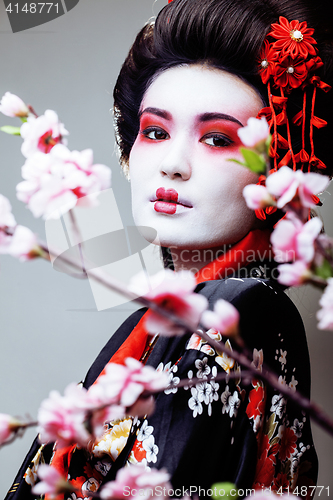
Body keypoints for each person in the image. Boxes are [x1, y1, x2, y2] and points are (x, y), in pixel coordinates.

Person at [7, 0, 333, 497]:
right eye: (155, 131)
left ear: (276, 172)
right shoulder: (164, 320)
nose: (173, 164)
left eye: (218, 138)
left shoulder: (238, 308)